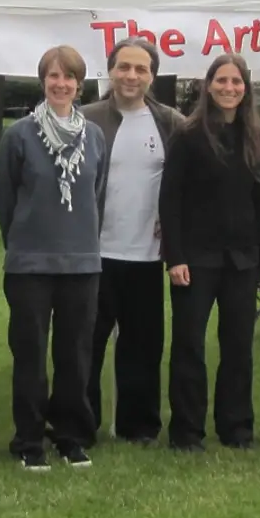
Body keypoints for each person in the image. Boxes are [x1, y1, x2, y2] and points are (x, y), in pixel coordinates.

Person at [0, 45, 109, 470]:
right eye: (53, 76)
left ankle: (70, 435)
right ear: (43, 81)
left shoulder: (94, 136)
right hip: (30, 264)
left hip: (82, 263)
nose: (60, 84)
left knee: (75, 354)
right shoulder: (19, 135)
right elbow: (6, 201)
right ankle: (28, 440)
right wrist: (25, 242)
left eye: (69, 77)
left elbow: (96, 192)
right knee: (29, 353)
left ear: (79, 84)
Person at [160, 54, 260, 450]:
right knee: (190, 344)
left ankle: (236, 429)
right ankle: (187, 432)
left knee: (238, 346)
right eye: (222, 80)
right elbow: (170, 200)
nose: (230, 88)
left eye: (237, 81)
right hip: (195, 259)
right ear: (208, 86)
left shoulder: (254, 136)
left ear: (246, 89)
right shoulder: (189, 136)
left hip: (242, 259)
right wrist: (174, 256)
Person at [80, 37, 180, 443]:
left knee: (143, 347)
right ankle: (80, 424)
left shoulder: (172, 122)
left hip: (146, 255)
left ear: (152, 75)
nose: (132, 76)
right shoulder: (86, 119)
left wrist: (173, 222)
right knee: (86, 346)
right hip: (94, 253)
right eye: (124, 67)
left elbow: (185, 183)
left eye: (141, 69)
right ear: (110, 70)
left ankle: (139, 427)